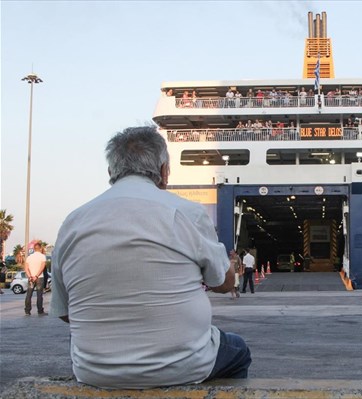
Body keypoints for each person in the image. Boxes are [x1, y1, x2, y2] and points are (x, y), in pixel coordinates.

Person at [50, 126, 251, 389]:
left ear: (111, 172)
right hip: (183, 364)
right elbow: (224, 284)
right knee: (238, 349)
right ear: (164, 170)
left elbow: (65, 313)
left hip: (94, 370)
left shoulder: (72, 222)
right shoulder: (185, 211)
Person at [24, 242, 47, 315]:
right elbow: (42, 267)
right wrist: (36, 276)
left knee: (29, 294)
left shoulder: (29, 257)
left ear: (34, 249)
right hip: (39, 278)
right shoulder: (42, 256)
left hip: (31, 278)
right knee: (39, 295)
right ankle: (40, 310)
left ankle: (27, 311)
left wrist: (30, 276)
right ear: (40, 248)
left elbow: (26, 268)